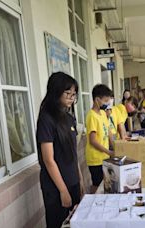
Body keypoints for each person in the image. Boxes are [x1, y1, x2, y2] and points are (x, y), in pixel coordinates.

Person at [36, 72, 84, 227]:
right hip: (56, 186)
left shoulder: (69, 118)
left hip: (73, 181)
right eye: (67, 94)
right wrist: (63, 191)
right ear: (56, 92)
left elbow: (73, 153)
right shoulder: (46, 118)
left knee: (74, 223)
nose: (71, 98)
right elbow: (48, 160)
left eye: (74, 95)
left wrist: (80, 180)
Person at [85, 84, 114, 193]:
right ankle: (92, 200)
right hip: (95, 158)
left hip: (104, 156)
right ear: (97, 100)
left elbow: (109, 132)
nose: (107, 103)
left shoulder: (102, 113)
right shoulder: (92, 116)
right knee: (97, 184)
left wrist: (116, 146)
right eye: (105, 100)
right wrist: (109, 152)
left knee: (105, 182)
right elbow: (93, 141)